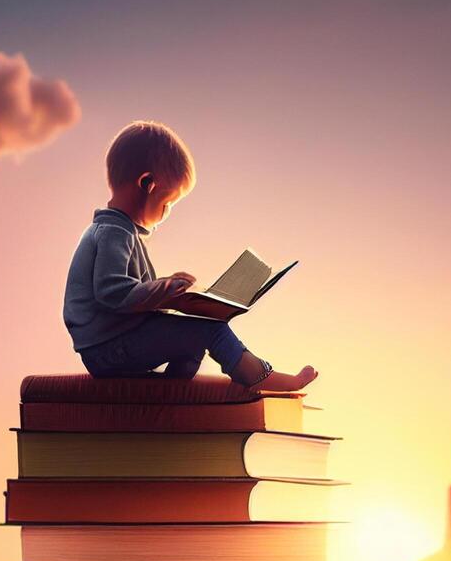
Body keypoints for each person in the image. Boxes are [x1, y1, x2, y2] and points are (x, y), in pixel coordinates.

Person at [62, 120, 319, 390]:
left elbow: (133, 297)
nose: (167, 212)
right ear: (147, 184)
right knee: (210, 330)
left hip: (111, 344)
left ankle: (171, 388)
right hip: (108, 348)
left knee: (194, 332)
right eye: (167, 202)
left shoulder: (120, 232)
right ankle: (256, 375)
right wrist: (165, 289)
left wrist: (176, 294)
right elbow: (112, 293)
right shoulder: (115, 233)